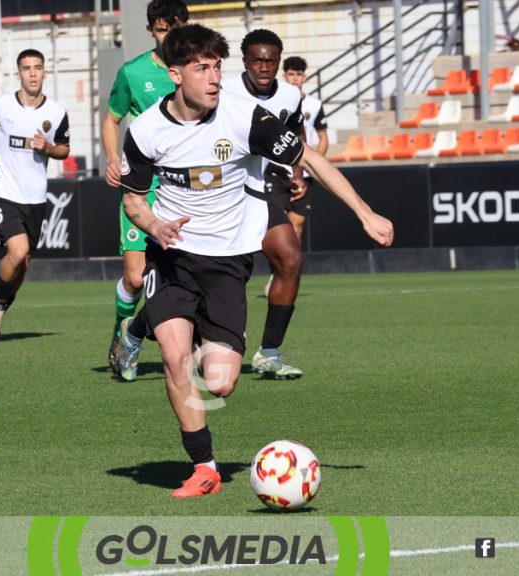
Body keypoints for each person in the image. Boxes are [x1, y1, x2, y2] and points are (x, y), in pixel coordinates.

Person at [115, 24, 394, 498]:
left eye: (217, 67)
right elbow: (133, 200)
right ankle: (205, 469)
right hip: (173, 256)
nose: (213, 78)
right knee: (177, 359)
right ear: (176, 75)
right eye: (202, 68)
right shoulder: (144, 131)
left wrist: (364, 212)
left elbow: (313, 159)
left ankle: (140, 324)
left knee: (220, 383)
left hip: (227, 262)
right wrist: (154, 226)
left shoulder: (246, 118)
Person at [102, 0, 189, 376]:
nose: (168, 34)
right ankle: (123, 331)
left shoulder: (197, 70)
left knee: (186, 277)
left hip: (186, 189)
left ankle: (148, 337)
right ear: (151, 30)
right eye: (161, 28)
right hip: (143, 186)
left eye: (175, 27)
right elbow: (111, 119)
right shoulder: (133, 73)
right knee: (136, 277)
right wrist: (110, 157)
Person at [220, 29, 308, 379]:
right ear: (244, 61)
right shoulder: (223, 88)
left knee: (290, 258)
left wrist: (297, 172)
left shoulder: (290, 93)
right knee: (208, 277)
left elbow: (297, 134)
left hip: (262, 187)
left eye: (271, 60)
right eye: (257, 60)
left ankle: (269, 351)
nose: (264, 66)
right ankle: (136, 331)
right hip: (222, 191)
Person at [0, 49, 70, 341]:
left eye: (37, 68)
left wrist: (49, 148)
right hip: (3, 191)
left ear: (45, 72)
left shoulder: (56, 112)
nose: (32, 73)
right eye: (27, 68)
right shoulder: (2, 104)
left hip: (35, 197)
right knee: (16, 252)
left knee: (24, 263)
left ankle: (1, 306)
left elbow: (64, 149)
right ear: (18, 73)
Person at [282, 55, 328, 242]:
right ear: (284, 76)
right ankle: (279, 270)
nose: (295, 78)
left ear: (304, 77)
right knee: (277, 225)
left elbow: (323, 137)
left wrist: (312, 162)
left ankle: (292, 271)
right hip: (276, 170)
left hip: (302, 173)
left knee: (297, 225)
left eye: (298, 74)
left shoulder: (314, 105)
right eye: (291, 74)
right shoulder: (275, 101)